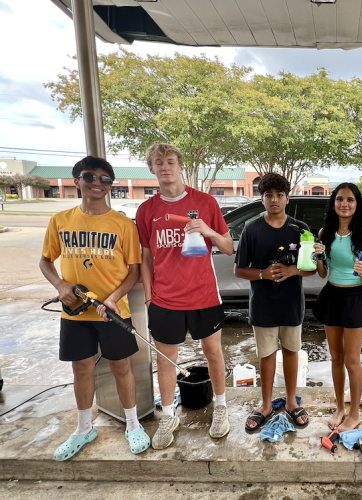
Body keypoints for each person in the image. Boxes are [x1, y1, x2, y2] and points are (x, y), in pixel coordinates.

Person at [39, 156, 149, 460]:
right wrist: (61, 287)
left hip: (113, 311)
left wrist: (113, 298)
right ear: (77, 181)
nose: (97, 184)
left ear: (111, 186)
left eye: (105, 179)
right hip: (75, 314)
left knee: (121, 367)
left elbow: (133, 272)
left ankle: (132, 424)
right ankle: (84, 428)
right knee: (82, 369)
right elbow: (45, 261)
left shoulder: (124, 225)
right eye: (90, 177)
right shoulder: (60, 221)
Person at [135, 144, 234, 450]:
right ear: (152, 169)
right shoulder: (146, 211)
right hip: (165, 300)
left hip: (204, 295)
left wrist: (208, 231)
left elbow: (228, 247)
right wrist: (150, 299)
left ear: (180, 166)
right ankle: (168, 415)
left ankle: (220, 408)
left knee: (213, 353)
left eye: (170, 162)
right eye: (158, 163)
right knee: (166, 359)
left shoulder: (205, 203)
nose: (165, 167)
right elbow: (146, 259)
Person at [234, 173, 316, 430]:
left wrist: (293, 271)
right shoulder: (252, 229)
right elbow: (239, 270)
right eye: (268, 195)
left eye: (279, 195)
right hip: (263, 305)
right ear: (262, 199)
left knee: (292, 352)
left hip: (292, 304)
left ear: (287, 198)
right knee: (267, 354)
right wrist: (262, 274)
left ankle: (292, 402)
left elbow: (311, 267)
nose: (274, 200)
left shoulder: (300, 229)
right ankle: (266, 404)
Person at [313, 183, 362, 431]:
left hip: (356, 298)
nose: (344, 204)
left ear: (357, 204)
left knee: (352, 360)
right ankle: (340, 406)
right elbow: (322, 274)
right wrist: (319, 256)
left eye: (350, 200)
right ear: (333, 203)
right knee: (336, 357)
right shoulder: (325, 233)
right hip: (332, 295)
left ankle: (354, 414)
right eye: (340, 199)